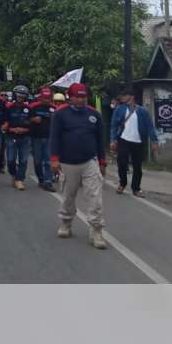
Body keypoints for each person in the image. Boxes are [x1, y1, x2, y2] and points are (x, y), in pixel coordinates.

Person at [49, 82, 107, 250]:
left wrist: (102, 162)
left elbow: (99, 140)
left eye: (84, 96)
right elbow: (54, 138)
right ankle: (66, 223)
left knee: (95, 197)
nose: (82, 100)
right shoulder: (60, 114)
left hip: (89, 161)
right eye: (78, 96)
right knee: (68, 197)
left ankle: (96, 230)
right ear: (70, 97)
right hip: (67, 162)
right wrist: (54, 159)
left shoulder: (94, 115)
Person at [110, 90, 159, 197]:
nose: (122, 98)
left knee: (137, 166)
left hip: (138, 141)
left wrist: (154, 141)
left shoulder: (142, 111)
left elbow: (150, 127)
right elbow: (114, 125)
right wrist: (113, 140)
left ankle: (136, 188)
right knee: (122, 163)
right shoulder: (119, 110)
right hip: (123, 140)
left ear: (131, 97)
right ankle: (122, 183)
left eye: (124, 96)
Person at [3, 84, 32, 191]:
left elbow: (32, 124)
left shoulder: (29, 109)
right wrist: (11, 129)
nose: (20, 97)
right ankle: (14, 175)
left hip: (25, 137)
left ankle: (20, 179)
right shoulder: (8, 107)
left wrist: (24, 130)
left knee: (24, 160)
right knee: (10, 160)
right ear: (15, 95)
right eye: (19, 95)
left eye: (23, 95)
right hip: (11, 137)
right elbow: (4, 123)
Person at [29, 88, 57, 192]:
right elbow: (24, 119)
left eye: (48, 98)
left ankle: (48, 181)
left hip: (49, 138)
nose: (47, 100)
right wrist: (33, 119)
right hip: (36, 137)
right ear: (41, 97)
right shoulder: (33, 107)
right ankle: (41, 179)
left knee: (48, 161)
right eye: (45, 98)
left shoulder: (54, 108)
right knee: (37, 161)